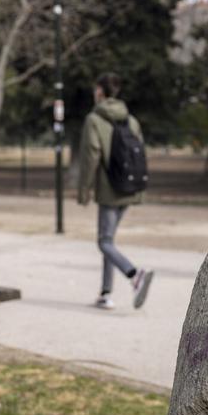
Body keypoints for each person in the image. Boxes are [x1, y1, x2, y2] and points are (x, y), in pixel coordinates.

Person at [77, 72, 154, 309]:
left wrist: (84, 189)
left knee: (104, 242)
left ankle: (134, 275)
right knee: (109, 240)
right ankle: (105, 293)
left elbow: (91, 155)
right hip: (130, 187)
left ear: (100, 91)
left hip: (110, 189)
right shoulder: (131, 119)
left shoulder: (94, 119)